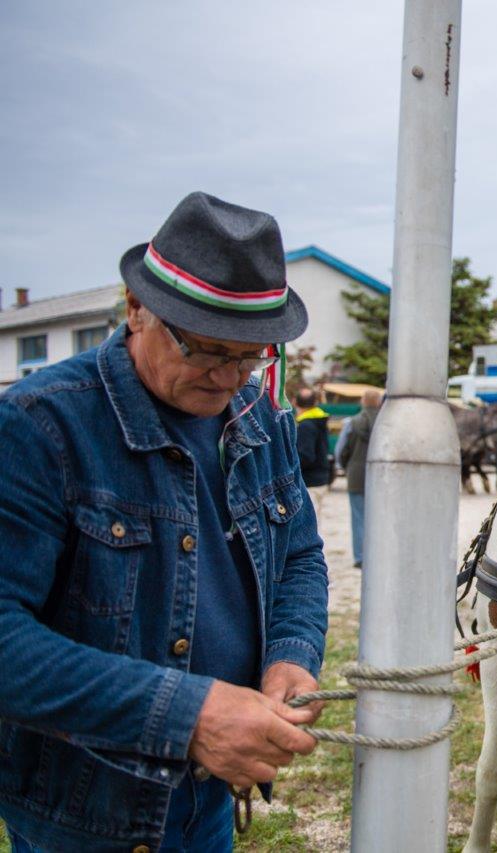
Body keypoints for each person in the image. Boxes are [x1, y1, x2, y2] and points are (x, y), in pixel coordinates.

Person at [0, 191, 328, 851]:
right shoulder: (41, 426)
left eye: (252, 356)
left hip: (206, 792)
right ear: (136, 310)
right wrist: (188, 713)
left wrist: (291, 653)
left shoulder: (258, 416)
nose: (231, 377)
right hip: (86, 812)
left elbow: (299, 555)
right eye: (207, 350)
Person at [337, 389, 383, 568]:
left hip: (356, 474)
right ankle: (378, 554)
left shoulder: (352, 422)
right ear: (379, 402)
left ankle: (360, 557)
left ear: (363, 401)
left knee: (358, 517)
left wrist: (346, 466)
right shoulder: (386, 423)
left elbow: (341, 450)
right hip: (382, 477)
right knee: (379, 516)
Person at [294, 386, 331, 513]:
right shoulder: (319, 420)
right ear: (315, 402)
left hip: (309, 481)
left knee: (310, 526)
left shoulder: (305, 425)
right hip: (320, 478)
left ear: (294, 402)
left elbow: (306, 456)